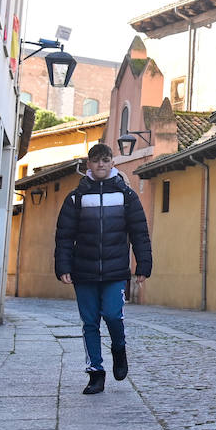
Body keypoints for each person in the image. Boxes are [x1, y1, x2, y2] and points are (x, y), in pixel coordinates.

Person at [54, 142, 152, 395]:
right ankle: (95, 373)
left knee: (112, 314)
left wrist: (143, 264)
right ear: (89, 164)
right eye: (96, 160)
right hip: (83, 271)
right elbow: (64, 236)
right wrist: (63, 265)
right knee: (89, 323)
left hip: (115, 270)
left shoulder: (126, 196)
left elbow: (139, 233)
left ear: (112, 163)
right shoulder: (76, 197)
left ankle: (119, 349)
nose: (100, 164)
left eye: (105, 160)